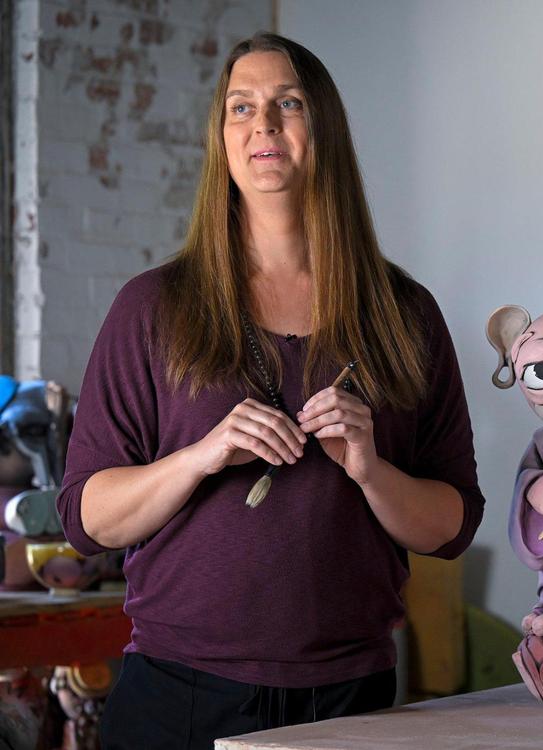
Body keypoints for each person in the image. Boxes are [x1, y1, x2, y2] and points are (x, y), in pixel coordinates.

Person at [56, 32, 484, 749]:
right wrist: (201, 456)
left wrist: (371, 471)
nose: (264, 123)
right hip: (180, 694)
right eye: (241, 106)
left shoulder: (403, 312)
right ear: (221, 139)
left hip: (352, 698)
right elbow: (84, 519)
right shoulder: (153, 306)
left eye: (288, 103)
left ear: (324, 128)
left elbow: (453, 525)